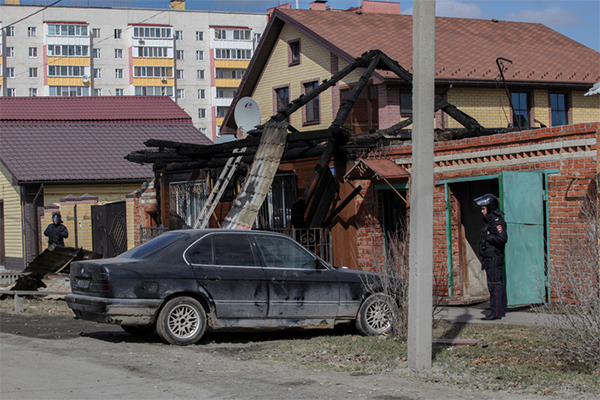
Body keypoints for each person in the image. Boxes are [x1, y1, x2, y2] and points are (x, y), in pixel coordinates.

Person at [474, 194, 508, 320]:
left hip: (494, 257)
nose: (482, 211)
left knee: (494, 285)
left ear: (489, 207)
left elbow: (502, 238)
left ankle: (495, 312)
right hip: (489, 257)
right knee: (494, 284)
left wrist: (488, 236)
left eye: (483, 208)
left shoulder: (496, 222)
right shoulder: (490, 222)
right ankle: (498, 310)